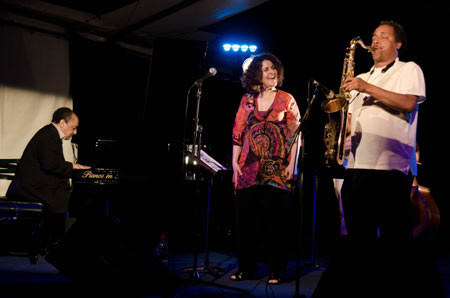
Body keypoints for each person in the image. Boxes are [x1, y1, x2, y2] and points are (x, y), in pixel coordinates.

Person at [313, 21, 444, 297]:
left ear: (398, 44)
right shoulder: (360, 77)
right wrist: (340, 131)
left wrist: (366, 87)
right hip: (357, 168)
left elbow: (408, 103)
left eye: (383, 36)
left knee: (396, 245)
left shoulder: (409, 69)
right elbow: (352, 123)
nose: (375, 40)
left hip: (391, 170)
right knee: (359, 246)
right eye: (373, 36)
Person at [230, 53, 301, 285]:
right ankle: (246, 269)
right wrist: (234, 163)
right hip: (247, 168)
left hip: (276, 169)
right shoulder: (246, 100)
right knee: (245, 222)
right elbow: (237, 133)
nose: (272, 72)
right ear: (256, 75)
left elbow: (295, 135)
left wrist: (293, 164)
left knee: (275, 221)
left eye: (273, 68)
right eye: (265, 69)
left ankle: (275, 270)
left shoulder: (286, 98)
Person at [7, 107, 90, 244]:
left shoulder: (50, 134)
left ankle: (55, 237)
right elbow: (50, 165)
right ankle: (59, 239)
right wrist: (73, 167)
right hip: (26, 188)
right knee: (63, 195)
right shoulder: (49, 135)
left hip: (32, 184)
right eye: (74, 128)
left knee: (63, 191)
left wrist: (72, 167)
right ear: (62, 123)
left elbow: (52, 163)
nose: (75, 132)